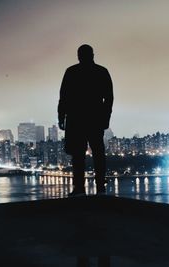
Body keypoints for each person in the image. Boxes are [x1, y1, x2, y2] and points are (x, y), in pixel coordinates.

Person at [58, 44, 113, 196]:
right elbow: (108, 99)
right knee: (97, 153)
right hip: (94, 118)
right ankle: (100, 186)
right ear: (93, 54)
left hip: (77, 118)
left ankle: (79, 188)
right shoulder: (101, 72)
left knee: (79, 155)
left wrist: (61, 117)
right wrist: (105, 118)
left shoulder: (71, 72)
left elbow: (64, 97)